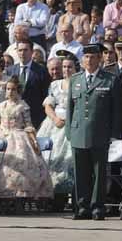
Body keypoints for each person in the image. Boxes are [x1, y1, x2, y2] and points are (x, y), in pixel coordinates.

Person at [66, 44, 118, 220]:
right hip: (78, 132)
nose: (89, 60)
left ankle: (97, 207)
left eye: (93, 57)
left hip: (99, 133)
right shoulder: (75, 79)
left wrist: (113, 132)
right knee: (81, 173)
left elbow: (115, 110)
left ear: (99, 59)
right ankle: (82, 207)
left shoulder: (109, 79)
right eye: (86, 57)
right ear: (82, 60)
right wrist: (69, 132)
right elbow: (70, 108)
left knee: (99, 173)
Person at [0, 76, 53, 200]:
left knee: (21, 161)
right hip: (1, 134)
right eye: (7, 89)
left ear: (18, 91)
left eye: (13, 89)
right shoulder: (1, 106)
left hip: (18, 136)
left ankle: (18, 193)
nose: (10, 92)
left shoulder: (22, 105)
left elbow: (28, 124)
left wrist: (33, 140)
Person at [37, 54, 76, 202]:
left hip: (71, 124)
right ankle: (50, 197)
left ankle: (69, 196)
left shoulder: (79, 82)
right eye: (64, 67)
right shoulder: (54, 85)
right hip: (54, 124)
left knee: (68, 161)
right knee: (50, 159)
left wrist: (67, 119)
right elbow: (48, 105)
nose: (66, 70)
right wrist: (55, 119)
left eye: (69, 67)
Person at [8, 39, 51, 128]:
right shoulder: (10, 71)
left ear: (31, 52)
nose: (22, 53)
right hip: (14, 118)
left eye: (25, 50)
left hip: (34, 118)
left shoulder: (41, 71)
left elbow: (45, 95)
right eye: (20, 50)